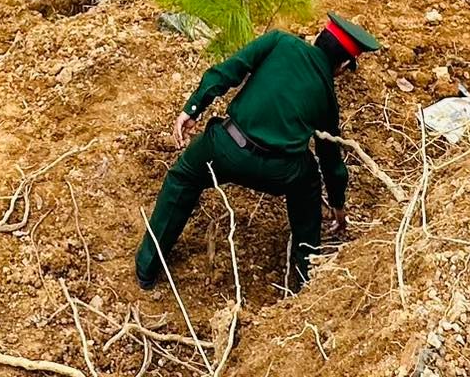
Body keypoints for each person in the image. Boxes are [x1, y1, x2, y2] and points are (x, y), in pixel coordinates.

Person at [135, 15, 381, 294]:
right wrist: (337, 204)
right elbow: (330, 157)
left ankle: (146, 270)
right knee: (309, 179)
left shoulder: (279, 41)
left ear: (318, 38)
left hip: (226, 148)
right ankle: (304, 283)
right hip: (279, 172)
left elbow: (229, 70)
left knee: (182, 178)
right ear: (344, 64)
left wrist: (193, 109)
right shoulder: (328, 98)